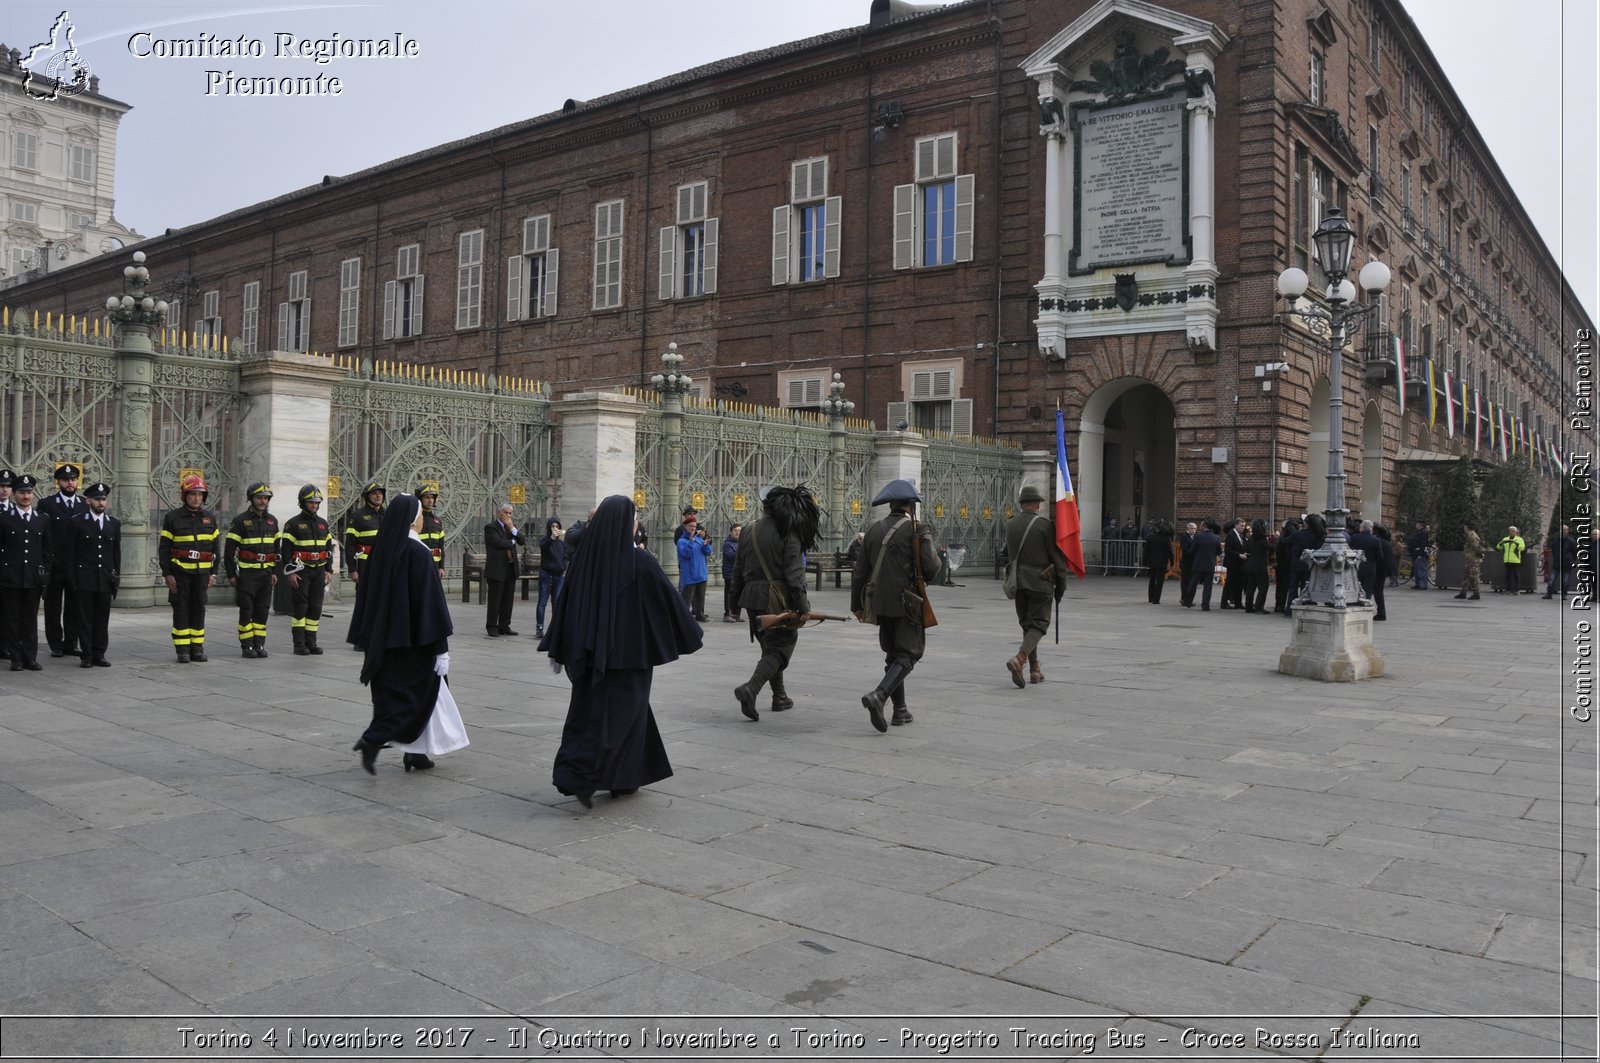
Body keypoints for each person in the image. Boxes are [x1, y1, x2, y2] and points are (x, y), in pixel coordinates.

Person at [540, 495, 702, 808]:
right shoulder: (638, 561)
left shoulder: (585, 559)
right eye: (635, 517)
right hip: (630, 655)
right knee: (622, 719)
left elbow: (565, 607)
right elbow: (668, 601)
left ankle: (626, 778)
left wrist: (560, 648)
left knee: (596, 713)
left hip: (588, 657)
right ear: (627, 524)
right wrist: (689, 632)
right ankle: (581, 776)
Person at [352, 494, 460, 775]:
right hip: (416, 641)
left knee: (401, 696)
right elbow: (430, 604)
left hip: (386, 640)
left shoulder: (383, 551)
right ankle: (373, 739)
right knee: (417, 697)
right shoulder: (418, 553)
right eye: (421, 514)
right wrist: (441, 647)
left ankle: (417, 753)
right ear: (415, 520)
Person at [851, 478, 941, 731]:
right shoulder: (918, 529)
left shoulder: (874, 529)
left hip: (879, 602)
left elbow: (860, 571)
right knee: (910, 653)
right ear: (911, 505)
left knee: (893, 655)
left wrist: (855, 604)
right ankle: (879, 695)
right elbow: (933, 568)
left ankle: (900, 711)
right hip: (907, 603)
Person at [728, 485, 818, 720]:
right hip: (776, 598)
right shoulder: (788, 531)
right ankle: (751, 688)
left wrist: (733, 603)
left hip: (751, 598)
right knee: (779, 649)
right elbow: (794, 575)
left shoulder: (748, 530)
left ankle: (779, 696)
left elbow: (737, 570)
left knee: (769, 648)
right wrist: (803, 607)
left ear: (764, 507)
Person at [1003, 484, 1069, 686]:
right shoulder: (1044, 525)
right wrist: (1062, 584)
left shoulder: (1010, 524)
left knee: (1027, 625)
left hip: (1017, 582)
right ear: (1038, 505)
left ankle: (1034, 669)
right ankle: (1020, 658)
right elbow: (1056, 558)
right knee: (1039, 624)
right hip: (1040, 581)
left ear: (1022, 504)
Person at [159, 474, 221, 663]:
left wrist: (213, 573)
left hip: (202, 575)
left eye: (200, 494)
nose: (196, 498)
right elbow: (164, 549)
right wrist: (167, 573)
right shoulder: (172, 518)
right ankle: (183, 649)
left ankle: (197, 648)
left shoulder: (210, 519)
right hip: (181, 574)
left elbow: (216, 549)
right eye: (192, 494)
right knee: (181, 610)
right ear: (185, 495)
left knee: (198, 609)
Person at [223, 482, 280, 659]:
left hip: (265, 574)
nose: (263, 501)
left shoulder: (272, 521)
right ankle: (247, 646)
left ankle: (259, 644)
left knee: (262, 610)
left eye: (266, 498)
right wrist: (232, 575)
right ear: (251, 498)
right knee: (246, 610)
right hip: (247, 574)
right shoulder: (240, 521)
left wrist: (275, 571)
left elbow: (277, 550)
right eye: (259, 497)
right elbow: (229, 550)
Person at [65, 481, 119, 667]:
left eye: (103, 499)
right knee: (85, 619)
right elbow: (70, 553)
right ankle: (87, 654)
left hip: (104, 579)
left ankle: (99, 653)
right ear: (88, 501)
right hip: (85, 579)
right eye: (97, 499)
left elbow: (115, 553)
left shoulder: (113, 524)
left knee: (102, 619)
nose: (101, 503)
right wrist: (72, 579)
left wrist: (115, 577)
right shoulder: (77, 522)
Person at [0, 475, 50, 670]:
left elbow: (47, 551)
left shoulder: (42, 519)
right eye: (21, 492)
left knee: (30, 619)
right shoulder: (5, 518)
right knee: (12, 619)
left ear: (33, 495)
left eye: (29, 493)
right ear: (15, 494)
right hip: (11, 577)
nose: (25, 496)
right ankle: (16, 658)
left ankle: (30, 656)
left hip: (33, 577)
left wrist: (46, 576)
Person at [281, 484, 336, 655]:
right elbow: (286, 551)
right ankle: (299, 644)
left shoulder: (322, 524)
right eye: (310, 502)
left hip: (319, 571)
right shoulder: (293, 524)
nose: (314, 505)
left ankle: (311, 642)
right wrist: (291, 572)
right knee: (301, 607)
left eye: (316, 502)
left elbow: (328, 549)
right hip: (301, 571)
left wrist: (329, 570)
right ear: (302, 503)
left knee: (315, 607)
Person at [38, 462, 85, 659]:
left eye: (73, 479)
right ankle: (56, 644)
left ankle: (70, 644)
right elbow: (43, 536)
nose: (70, 483)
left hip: (76, 565)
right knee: (53, 607)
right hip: (55, 564)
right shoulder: (47, 504)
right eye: (66, 480)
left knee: (75, 606)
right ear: (58, 482)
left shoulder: (84, 504)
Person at [483, 502, 522, 636]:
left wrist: (512, 529)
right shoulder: (490, 527)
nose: (508, 515)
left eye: (510, 513)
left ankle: (504, 626)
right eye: (505, 513)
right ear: (498, 513)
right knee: (495, 599)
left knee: (508, 599)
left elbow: (522, 540)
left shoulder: (511, 528)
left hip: (510, 568)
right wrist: (512, 541)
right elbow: (498, 543)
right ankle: (492, 626)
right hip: (496, 568)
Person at [675, 513, 713, 621]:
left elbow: (708, 552)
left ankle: (700, 615)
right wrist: (691, 542)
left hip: (701, 574)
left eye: (695, 526)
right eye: (691, 526)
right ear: (685, 527)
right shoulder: (681, 541)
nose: (693, 528)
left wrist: (706, 545)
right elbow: (685, 554)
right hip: (690, 575)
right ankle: (683, 617)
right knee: (686, 598)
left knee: (701, 598)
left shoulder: (699, 539)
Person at [536, 517, 567, 638]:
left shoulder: (561, 544)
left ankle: (555, 627)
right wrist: (552, 538)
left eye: (557, 526)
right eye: (552, 526)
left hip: (559, 575)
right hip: (546, 574)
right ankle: (540, 627)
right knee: (542, 601)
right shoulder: (545, 541)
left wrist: (564, 566)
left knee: (557, 602)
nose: (555, 529)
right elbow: (545, 549)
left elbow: (565, 556)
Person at [1347, 519, 1383, 619]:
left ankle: (1354, 610)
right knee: (1367, 590)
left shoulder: (1354, 538)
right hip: (1370, 568)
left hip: (1356, 566)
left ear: (1361, 528)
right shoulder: (1375, 540)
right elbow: (1380, 557)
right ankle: (1364, 611)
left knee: (1355, 589)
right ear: (1371, 529)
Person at [417, 485, 446, 580]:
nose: (430, 500)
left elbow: (441, 546)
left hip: (435, 566)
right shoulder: (414, 519)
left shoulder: (437, 520)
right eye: (427, 497)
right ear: (420, 499)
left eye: (432, 497)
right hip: (419, 564)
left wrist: (441, 567)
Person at [1273, 518, 1301, 615]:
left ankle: (1278, 605)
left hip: (1280, 566)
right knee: (1285, 587)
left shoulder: (1282, 538)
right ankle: (1281, 605)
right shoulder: (1291, 540)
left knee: (1280, 587)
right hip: (1287, 567)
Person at [1243, 519, 1272, 613]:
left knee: (1250, 588)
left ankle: (1248, 607)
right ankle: (1259, 607)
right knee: (1263, 587)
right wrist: (1276, 541)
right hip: (1260, 567)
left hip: (1251, 565)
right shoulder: (1262, 539)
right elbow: (1271, 547)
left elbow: (1246, 548)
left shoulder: (1251, 538)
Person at [1142, 518, 1173, 605]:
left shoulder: (1150, 537)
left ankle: (1150, 598)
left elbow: (1146, 551)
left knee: (1152, 579)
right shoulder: (1166, 538)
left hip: (1152, 561)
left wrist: (1144, 562)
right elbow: (1170, 552)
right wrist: (1172, 561)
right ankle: (1156, 599)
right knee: (1160, 580)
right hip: (1162, 562)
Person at [1220, 518, 1248, 609]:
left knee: (1239, 584)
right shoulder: (1231, 535)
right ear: (1236, 525)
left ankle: (1238, 603)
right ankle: (1224, 603)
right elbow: (1228, 550)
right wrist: (1239, 555)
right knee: (1229, 583)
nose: (1243, 527)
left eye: (1244, 526)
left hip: (1240, 563)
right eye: (1241, 525)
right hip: (1232, 563)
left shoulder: (1241, 535)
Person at [1545, 524, 1577, 599]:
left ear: (1568, 531)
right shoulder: (1556, 540)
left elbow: (1575, 552)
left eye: (1565, 530)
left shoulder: (1571, 541)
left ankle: (1564, 595)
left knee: (1565, 581)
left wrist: (1572, 561)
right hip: (1556, 564)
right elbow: (1553, 550)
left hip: (1567, 564)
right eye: (1562, 529)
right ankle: (1549, 594)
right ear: (1560, 531)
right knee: (1551, 580)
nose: (1564, 531)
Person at [1454, 521, 1484, 600]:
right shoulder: (1470, 536)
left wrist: (1480, 555)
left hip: (1474, 560)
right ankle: (1463, 593)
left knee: (1474, 577)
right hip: (1469, 560)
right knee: (1466, 577)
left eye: (1465, 527)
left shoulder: (1473, 536)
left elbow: (1477, 548)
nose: (1464, 529)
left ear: (1467, 527)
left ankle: (1476, 594)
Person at [720, 524, 742, 623]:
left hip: (739, 573)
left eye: (739, 531)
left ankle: (736, 614)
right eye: (735, 531)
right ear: (731, 532)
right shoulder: (727, 543)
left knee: (738, 594)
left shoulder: (741, 543)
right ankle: (727, 614)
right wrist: (742, 552)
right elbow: (731, 556)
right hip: (730, 573)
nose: (738, 533)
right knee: (729, 594)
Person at [1496, 526, 1526, 594]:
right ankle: (1508, 589)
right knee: (1507, 575)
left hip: (1515, 560)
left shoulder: (1519, 539)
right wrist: (1501, 543)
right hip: (1507, 560)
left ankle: (1517, 590)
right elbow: (1498, 547)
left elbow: (1522, 548)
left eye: (1512, 531)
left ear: (1516, 532)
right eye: (1510, 531)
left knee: (1516, 576)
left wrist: (1516, 543)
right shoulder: (1505, 539)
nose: (1511, 532)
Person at [1407, 522, 1431, 590]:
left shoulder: (1423, 532)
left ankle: (1423, 585)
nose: (1415, 525)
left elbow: (1423, 544)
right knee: (1417, 570)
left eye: (1417, 524)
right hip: (1416, 553)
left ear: (1420, 525)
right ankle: (1418, 584)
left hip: (1420, 553)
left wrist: (1420, 553)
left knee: (1421, 569)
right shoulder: (1419, 532)